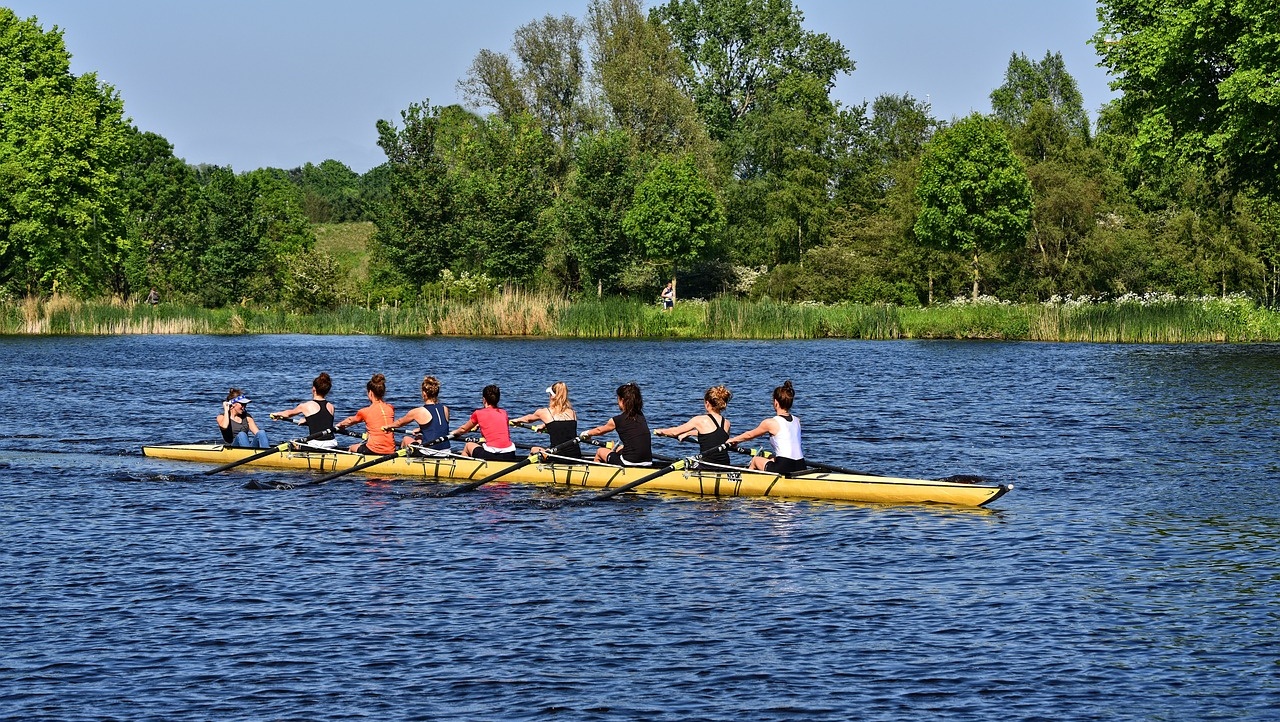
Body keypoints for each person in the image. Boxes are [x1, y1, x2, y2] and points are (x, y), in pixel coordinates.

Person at [725, 380, 805, 473]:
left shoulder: (771, 422)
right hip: (801, 465)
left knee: (755, 460)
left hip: (784, 466)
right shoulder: (797, 420)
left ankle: (748, 483)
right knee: (771, 458)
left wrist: (733, 440)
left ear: (775, 402)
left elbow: (750, 435)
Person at [654, 385, 733, 467]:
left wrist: (661, 431)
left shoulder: (699, 420)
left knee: (685, 465)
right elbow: (713, 436)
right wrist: (689, 433)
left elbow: (675, 432)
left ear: (707, 403)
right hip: (725, 464)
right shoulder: (727, 423)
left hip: (707, 465)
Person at [583, 382, 652, 466]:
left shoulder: (617, 420)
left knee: (600, 451)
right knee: (619, 448)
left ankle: (595, 475)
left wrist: (587, 434)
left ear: (622, 400)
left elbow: (599, 430)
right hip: (648, 462)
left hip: (629, 462)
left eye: (617, 399)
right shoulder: (641, 415)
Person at [511, 381, 581, 462]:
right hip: (576, 456)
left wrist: (517, 420)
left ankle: (528, 472)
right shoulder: (573, 413)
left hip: (558, 457)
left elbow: (528, 419)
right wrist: (544, 425)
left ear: (552, 396)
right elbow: (563, 426)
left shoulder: (544, 412)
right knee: (549, 449)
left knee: (534, 449)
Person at [382, 375, 452, 456]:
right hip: (446, 451)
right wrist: (421, 428)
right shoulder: (445, 409)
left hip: (429, 453)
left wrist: (388, 427)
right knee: (419, 438)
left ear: (424, 393)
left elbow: (399, 423)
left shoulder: (418, 411)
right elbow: (439, 426)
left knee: (406, 439)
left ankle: (400, 462)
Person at [269, 372, 337, 449]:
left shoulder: (305, 406)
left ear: (313, 389)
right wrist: (307, 420)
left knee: (293, 443)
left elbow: (288, 414)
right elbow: (322, 420)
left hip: (316, 444)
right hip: (332, 443)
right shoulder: (331, 407)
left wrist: (277, 414)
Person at [452, 384, 518, 461]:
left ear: (484, 399)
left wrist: (453, 433)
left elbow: (463, 429)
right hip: (510, 453)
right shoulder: (504, 413)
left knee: (468, 445)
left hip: (492, 454)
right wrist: (479, 424)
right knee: (482, 445)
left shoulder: (478, 413)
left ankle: (463, 470)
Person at [335, 373, 396, 456]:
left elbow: (350, 421)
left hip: (374, 450)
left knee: (352, 447)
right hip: (391, 450)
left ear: (370, 393)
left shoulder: (365, 411)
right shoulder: (390, 408)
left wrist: (340, 425)